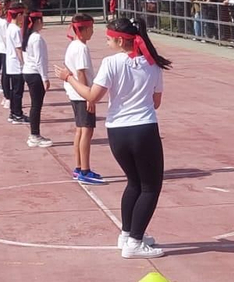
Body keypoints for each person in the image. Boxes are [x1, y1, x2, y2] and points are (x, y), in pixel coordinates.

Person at [56, 16, 170, 259]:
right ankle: (135, 242)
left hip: (117, 131)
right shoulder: (152, 63)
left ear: (120, 40)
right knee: (150, 187)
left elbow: (92, 95)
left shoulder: (110, 63)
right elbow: (156, 102)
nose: (106, 42)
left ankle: (128, 234)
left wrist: (68, 78)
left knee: (134, 183)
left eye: (108, 39)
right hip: (143, 129)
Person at [61, 14, 105, 185]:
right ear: (84, 29)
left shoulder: (73, 45)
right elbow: (81, 72)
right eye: (91, 28)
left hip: (74, 93)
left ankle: (79, 167)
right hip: (81, 94)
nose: (93, 32)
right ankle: (85, 170)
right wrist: (88, 96)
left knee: (80, 129)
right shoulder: (81, 48)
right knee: (87, 130)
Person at [18, 10, 53, 148]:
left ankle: (34, 134)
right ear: (37, 22)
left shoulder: (28, 36)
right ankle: (34, 135)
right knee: (36, 106)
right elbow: (40, 60)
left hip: (29, 71)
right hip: (35, 74)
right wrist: (45, 78)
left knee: (35, 105)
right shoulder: (36, 38)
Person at [3, 4, 27, 125]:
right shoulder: (16, 29)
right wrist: (24, 63)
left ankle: (14, 112)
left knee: (14, 90)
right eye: (22, 15)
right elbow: (18, 48)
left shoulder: (10, 27)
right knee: (18, 90)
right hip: (16, 63)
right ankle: (17, 113)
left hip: (10, 62)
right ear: (18, 15)